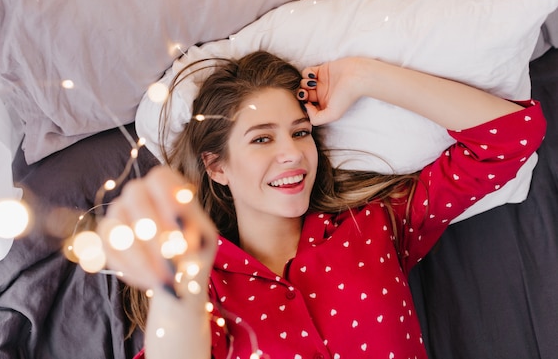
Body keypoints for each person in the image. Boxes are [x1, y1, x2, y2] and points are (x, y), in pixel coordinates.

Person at [97, 51, 546, 359]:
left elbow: (512, 136)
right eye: (262, 138)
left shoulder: (372, 224)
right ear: (217, 168)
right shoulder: (206, 288)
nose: (292, 153)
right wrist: (181, 287)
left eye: (300, 131)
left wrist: (366, 76)